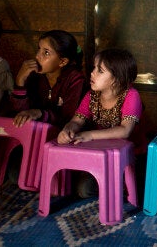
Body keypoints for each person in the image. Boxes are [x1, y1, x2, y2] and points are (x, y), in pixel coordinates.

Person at [57, 48, 142, 198]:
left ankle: (125, 184)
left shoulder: (131, 95)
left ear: (116, 78)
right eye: (94, 68)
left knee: (86, 189)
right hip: (102, 155)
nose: (92, 73)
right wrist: (67, 130)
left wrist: (89, 135)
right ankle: (111, 183)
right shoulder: (91, 96)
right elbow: (76, 121)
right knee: (82, 189)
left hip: (131, 157)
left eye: (100, 71)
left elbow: (125, 130)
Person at [11, 30, 86, 128]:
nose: (37, 56)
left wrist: (40, 113)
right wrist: (20, 81)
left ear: (62, 62)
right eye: (39, 49)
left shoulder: (75, 79)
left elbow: (68, 119)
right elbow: (20, 115)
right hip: (35, 132)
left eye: (46, 52)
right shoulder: (34, 75)